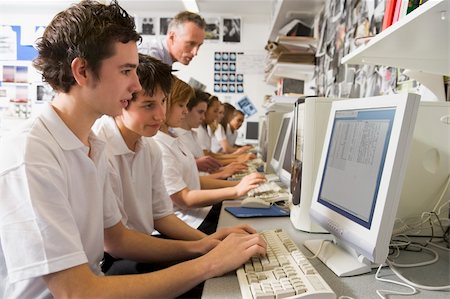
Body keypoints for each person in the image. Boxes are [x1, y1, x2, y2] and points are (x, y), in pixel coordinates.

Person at [0, 1, 266, 297]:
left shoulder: (92, 145)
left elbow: (117, 239)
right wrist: (209, 264)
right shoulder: (31, 156)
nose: (135, 84)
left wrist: (203, 246)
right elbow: (77, 293)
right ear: (83, 71)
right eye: (126, 70)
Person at [94, 53, 254, 267]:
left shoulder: (149, 147)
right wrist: (202, 248)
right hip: (118, 259)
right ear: (121, 101)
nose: (160, 115)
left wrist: (210, 242)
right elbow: (117, 242)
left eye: (163, 102)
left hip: (143, 245)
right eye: (149, 105)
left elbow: (161, 215)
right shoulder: (100, 151)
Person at [153, 77, 266, 233]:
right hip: (191, 223)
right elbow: (184, 198)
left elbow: (193, 181)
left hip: (200, 213)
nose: (185, 111)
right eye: (181, 105)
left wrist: (239, 186)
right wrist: (236, 189)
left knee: (256, 222)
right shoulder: (159, 145)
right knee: (255, 230)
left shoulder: (174, 138)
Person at [141, 11, 206, 65]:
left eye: (199, 45)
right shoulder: (150, 56)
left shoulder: (164, 60)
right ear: (172, 37)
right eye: (190, 44)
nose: (195, 53)